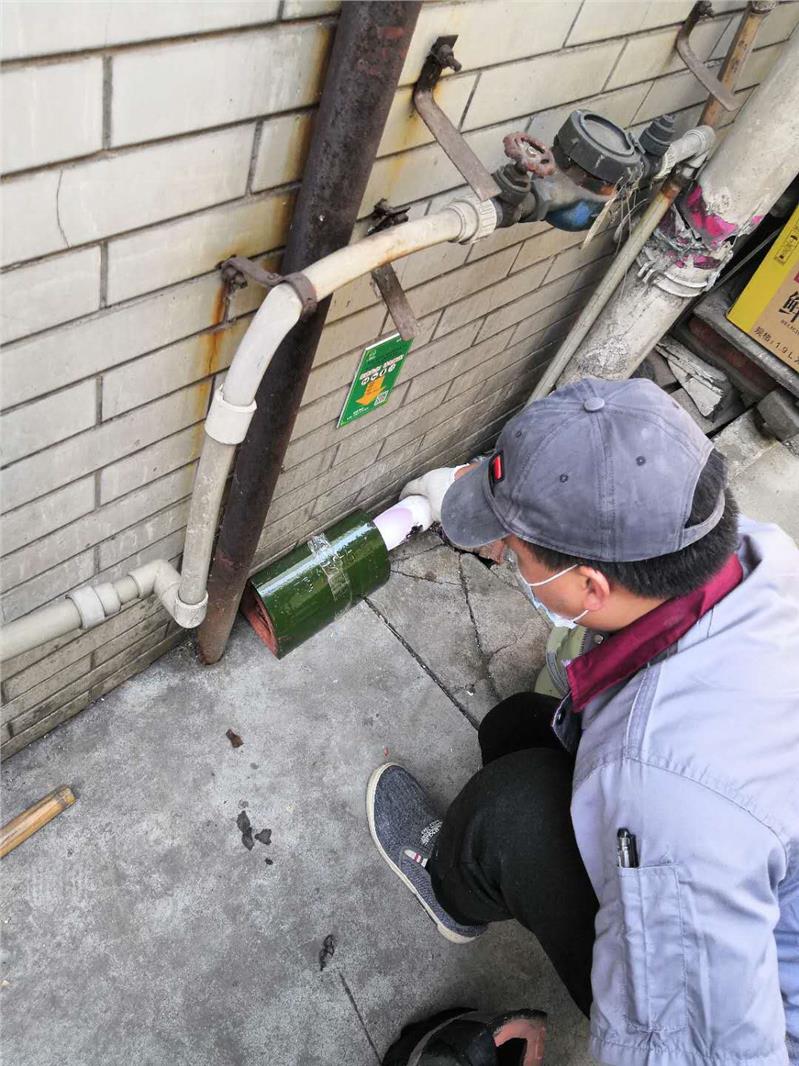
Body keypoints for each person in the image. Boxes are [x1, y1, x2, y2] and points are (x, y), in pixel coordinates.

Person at [366, 376, 799, 1066]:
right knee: (515, 727)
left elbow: (697, 1049)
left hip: (752, 1020)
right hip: (755, 859)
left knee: (508, 815)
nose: (505, 559)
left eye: (515, 553)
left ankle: (457, 888)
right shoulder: (756, 555)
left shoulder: (663, 789)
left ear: (592, 587)